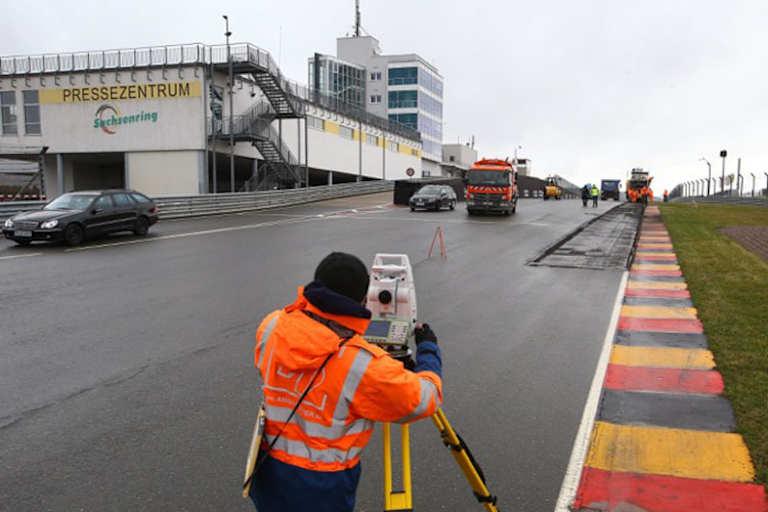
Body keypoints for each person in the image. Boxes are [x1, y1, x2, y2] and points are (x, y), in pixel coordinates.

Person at [250, 252, 442, 512]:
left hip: (269, 475)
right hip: (321, 490)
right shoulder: (361, 364)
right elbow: (425, 399)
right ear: (363, 299)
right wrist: (428, 351)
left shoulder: (272, 326)